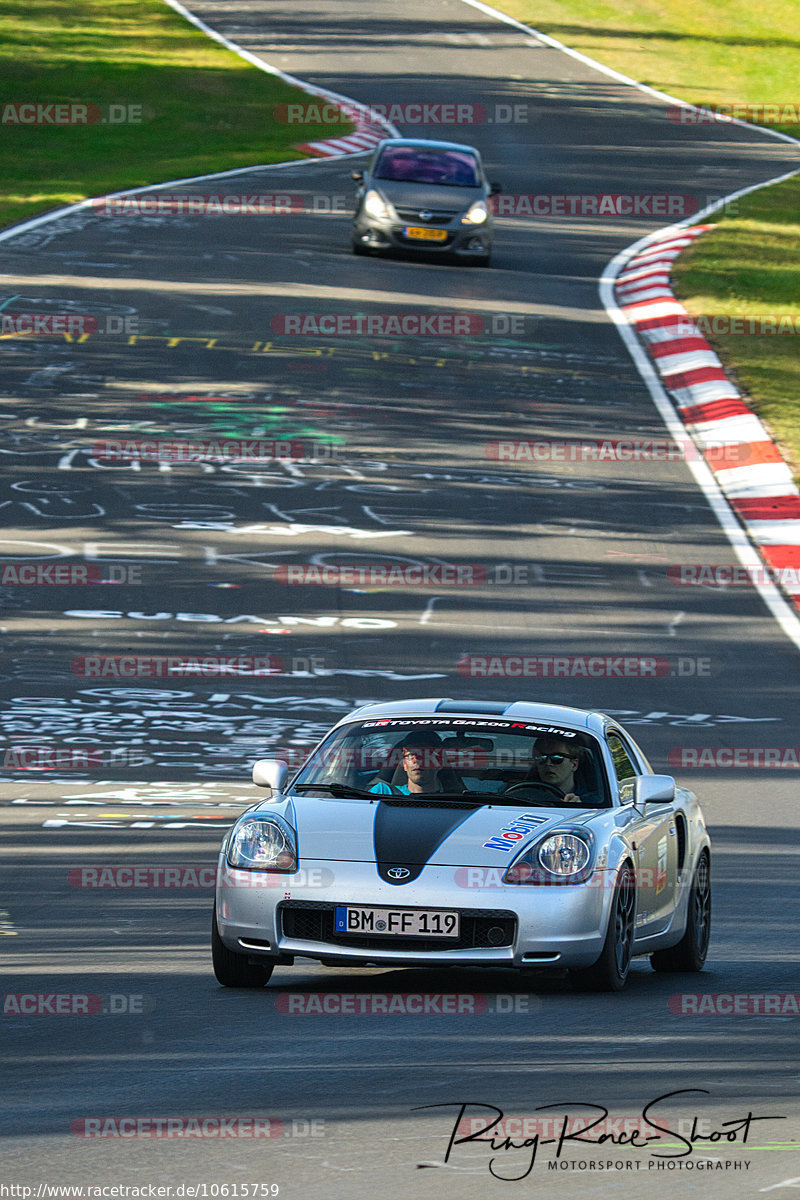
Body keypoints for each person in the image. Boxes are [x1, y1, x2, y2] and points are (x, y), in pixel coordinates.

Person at [513, 735, 598, 806]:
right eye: (542, 758)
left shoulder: (595, 802)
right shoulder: (515, 795)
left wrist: (580, 808)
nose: (548, 763)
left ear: (574, 764)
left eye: (557, 758)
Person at [369, 730, 450, 795]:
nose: (416, 760)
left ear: (439, 762)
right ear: (404, 764)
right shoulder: (382, 792)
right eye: (410, 755)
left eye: (424, 755)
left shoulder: (456, 801)